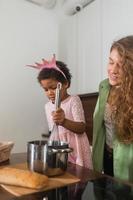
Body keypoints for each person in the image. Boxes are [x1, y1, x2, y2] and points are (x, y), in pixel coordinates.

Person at [27, 55, 92, 169]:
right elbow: (54, 132)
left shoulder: (73, 100)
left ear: (65, 84)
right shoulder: (47, 106)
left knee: (78, 177)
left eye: (53, 87)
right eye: (46, 89)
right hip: (60, 149)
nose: (49, 93)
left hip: (76, 148)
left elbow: (81, 128)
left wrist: (63, 121)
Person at [92, 35, 133, 182]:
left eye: (121, 65)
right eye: (111, 62)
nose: (113, 70)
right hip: (105, 158)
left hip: (127, 166)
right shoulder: (104, 87)